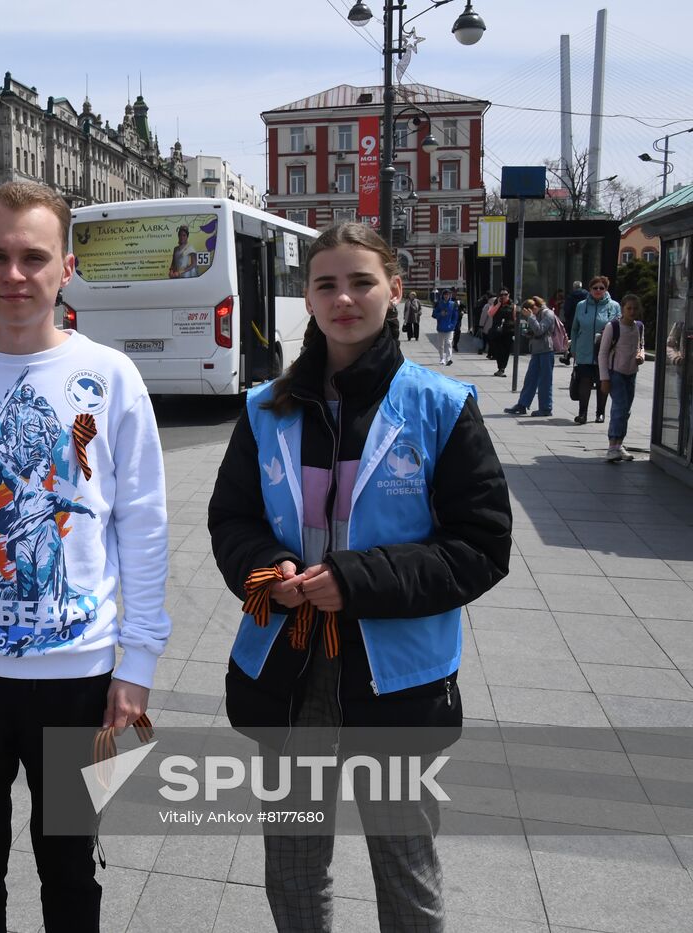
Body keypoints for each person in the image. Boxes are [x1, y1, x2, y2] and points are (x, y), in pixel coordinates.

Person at [206, 221, 511, 932]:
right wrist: (266, 570)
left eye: (362, 281)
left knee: (406, 867)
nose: (344, 297)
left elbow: (481, 545)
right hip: (289, 667)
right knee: (293, 865)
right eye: (326, 284)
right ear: (307, 298)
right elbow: (231, 520)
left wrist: (356, 579)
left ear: (395, 290)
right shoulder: (264, 408)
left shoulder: (440, 406)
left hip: (396, 681)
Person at [0, 181, 172, 932]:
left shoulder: (112, 378)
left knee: (72, 869)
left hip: (80, 678)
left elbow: (142, 525)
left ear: (65, 267)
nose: (16, 274)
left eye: (34, 257)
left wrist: (135, 668)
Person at [599, 294, 646, 462]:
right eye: (629, 308)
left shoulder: (639, 326)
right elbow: (603, 353)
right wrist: (605, 378)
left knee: (626, 410)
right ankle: (612, 446)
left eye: (635, 308)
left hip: (631, 373)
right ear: (623, 309)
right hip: (615, 373)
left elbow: (641, 345)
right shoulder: (613, 327)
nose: (632, 311)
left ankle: (619, 445)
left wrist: (641, 356)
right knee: (619, 408)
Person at [570, 276, 620, 424]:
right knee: (584, 381)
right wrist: (573, 348)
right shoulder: (581, 305)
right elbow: (574, 328)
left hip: (604, 352)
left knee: (601, 382)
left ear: (606, 289)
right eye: (595, 288)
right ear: (590, 289)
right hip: (584, 350)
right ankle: (582, 413)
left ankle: (600, 413)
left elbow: (617, 329)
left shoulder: (614, 306)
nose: (598, 290)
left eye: (601, 288)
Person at [504, 297, 557, 416]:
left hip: (546, 350)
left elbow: (540, 330)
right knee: (530, 378)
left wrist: (531, 317)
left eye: (527, 313)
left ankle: (546, 408)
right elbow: (535, 330)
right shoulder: (537, 314)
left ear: (534, 308)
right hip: (537, 350)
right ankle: (522, 404)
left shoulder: (548, 313)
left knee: (545, 381)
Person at [489, 290, 516, 376]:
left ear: (509, 295)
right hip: (497, 331)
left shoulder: (513, 306)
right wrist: (498, 304)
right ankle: (500, 367)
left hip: (508, 331)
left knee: (506, 350)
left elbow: (515, 318)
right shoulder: (496, 304)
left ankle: (502, 368)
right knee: (498, 350)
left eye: (505, 294)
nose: (503, 296)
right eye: (501, 295)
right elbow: (490, 314)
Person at [431, 288, 459, 365]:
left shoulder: (453, 304)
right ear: (442, 295)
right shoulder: (438, 304)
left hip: (450, 328)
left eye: (448, 295)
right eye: (445, 294)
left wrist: (452, 325)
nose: (446, 296)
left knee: (449, 343)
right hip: (440, 327)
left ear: (450, 295)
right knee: (441, 345)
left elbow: (455, 317)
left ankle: (448, 359)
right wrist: (440, 314)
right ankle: (441, 358)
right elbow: (433, 315)